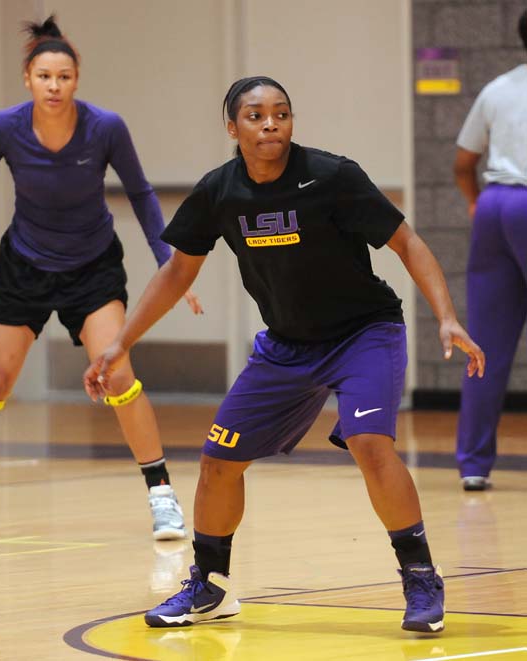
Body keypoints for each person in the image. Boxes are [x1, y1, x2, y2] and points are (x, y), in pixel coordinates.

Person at [84, 76, 485, 633]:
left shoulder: (331, 176)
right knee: (218, 460)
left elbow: (408, 242)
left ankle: (420, 578)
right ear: (232, 127)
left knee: (370, 444)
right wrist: (120, 342)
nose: (270, 123)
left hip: (362, 333)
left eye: (281, 113)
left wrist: (446, 316)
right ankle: (211, 586)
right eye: (255, 115)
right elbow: (178, 271)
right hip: (286, 347)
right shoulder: (219, 191)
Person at [0, 16, 201, 545]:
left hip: (92, 267)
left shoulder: (106, 127)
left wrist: (170, 261)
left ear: (77, 80)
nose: (55, 86)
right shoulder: (2, 128)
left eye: (65, 77)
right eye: (45, 76)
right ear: (27, 77)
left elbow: (141, 193)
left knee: (117, 374)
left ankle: (162, 496)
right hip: (24, 266)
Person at [453, 9, 527, 493]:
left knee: (486, 342)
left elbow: (464, 162)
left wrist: (478, 205)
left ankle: (473, 464)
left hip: (496, 206)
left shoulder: (498, 88)